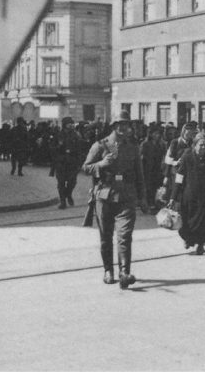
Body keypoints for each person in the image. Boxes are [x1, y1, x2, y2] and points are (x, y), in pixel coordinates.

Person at [82, 111, 149, 289]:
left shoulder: (133, 147)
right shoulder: (100, 145)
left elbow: (140, 175)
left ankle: (124, 272)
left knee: (124, 236)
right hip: (104, 195)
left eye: (126, 124)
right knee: (105, 237)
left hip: (127, 195)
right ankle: (108, 270)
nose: (123, 127)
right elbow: (86, 167)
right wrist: (101, 164)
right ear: (113, 126)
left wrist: (143, 198)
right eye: (119, 124)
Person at [169, 133, 205, 255]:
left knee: (203, 222)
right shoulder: (187, 157)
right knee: (187, 222)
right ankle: (188, 239)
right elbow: (179, 177)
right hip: (189, 197)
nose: (203, 147)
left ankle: (200, 245)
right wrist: (173, 196)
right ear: (194, 145)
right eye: (201, 145)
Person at [50, 117, 84, 209]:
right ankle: (63, 202)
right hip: (61, 162)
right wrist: (58, 147)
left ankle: (68, 194)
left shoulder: (76, 135)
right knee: (61, 183)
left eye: (72, 123)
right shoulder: (58, 135)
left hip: (72, 163)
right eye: (69, 123)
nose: (71, 125)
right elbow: (52, 148)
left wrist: (80, 162)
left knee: (72, 182)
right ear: (65, 124)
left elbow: (80, 150)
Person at [163, 123, 195, 198]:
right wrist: (167, 176)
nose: (189, 135)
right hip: (176, 172)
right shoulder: (175, 142)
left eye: (191, 133)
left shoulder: (192, 143)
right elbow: (168, 159)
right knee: (176, 192)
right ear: (183, 132)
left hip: (187, 173)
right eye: (187, 132)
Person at [141, 125, 166, 211]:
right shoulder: (145, 144)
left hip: (157, 168)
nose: (157, 135)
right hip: (147, 168)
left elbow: (163, 155)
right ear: (151, 134)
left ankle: (154, 202)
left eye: (158, 134)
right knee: (148, 186)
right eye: (155, 134)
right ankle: (149, 203)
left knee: (155, 186)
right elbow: (141, 157)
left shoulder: (161, 144)